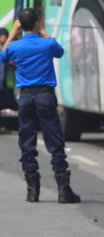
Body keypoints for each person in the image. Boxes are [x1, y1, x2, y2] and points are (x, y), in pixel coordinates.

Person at [0, 9, 80, 203]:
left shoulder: (16, 46)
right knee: (54, 140)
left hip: (26, 97)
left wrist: (12, 33)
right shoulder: (48, 43)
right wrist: (43, 31)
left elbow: (2, 56)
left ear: (21, 25)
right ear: (37, 23)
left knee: (27, 142)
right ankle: (63, 188)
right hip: (45, 96)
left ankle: (32, 190)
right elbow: (59, 51)